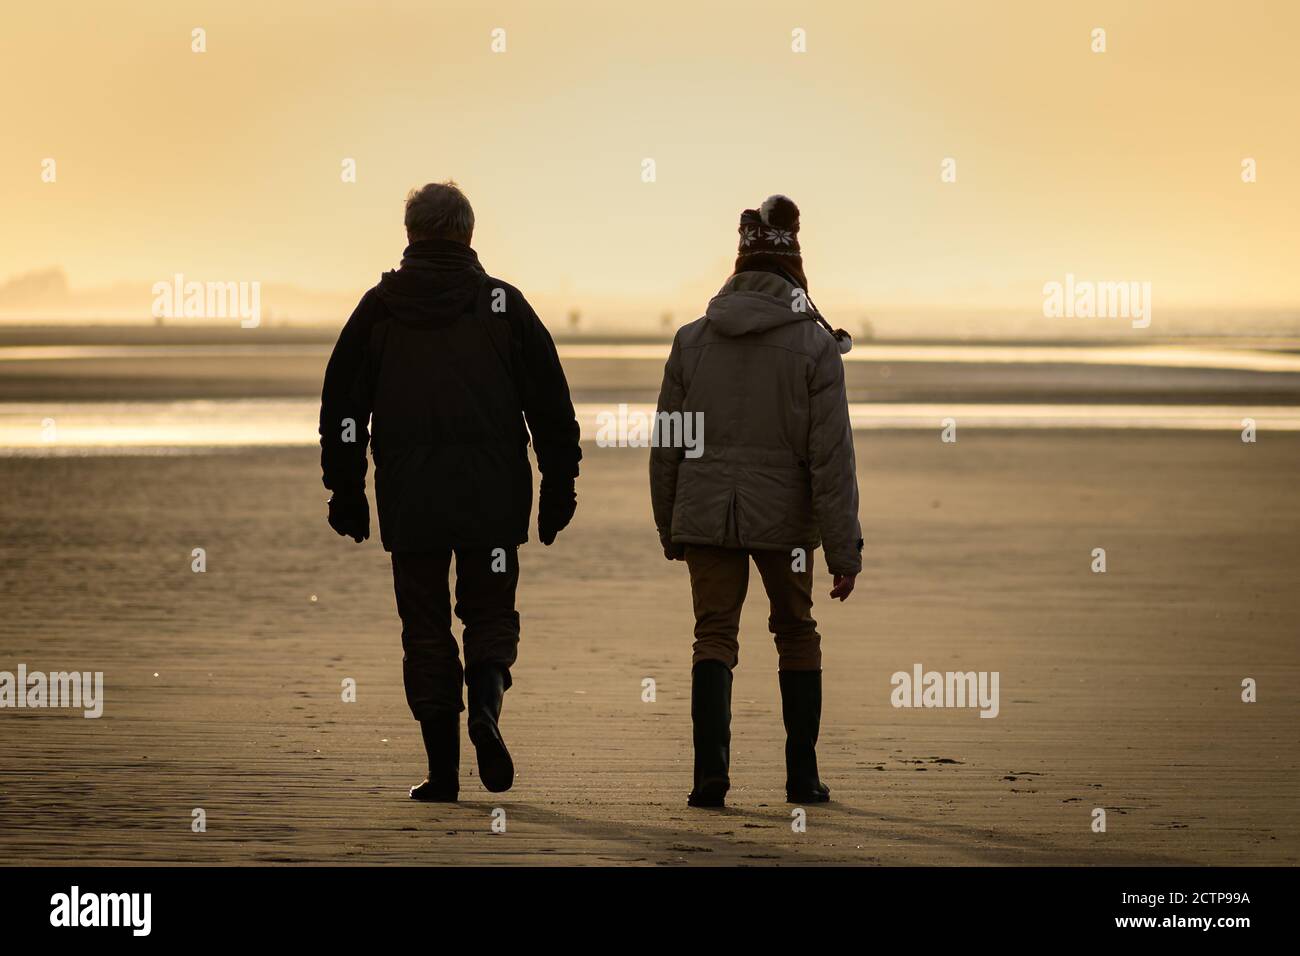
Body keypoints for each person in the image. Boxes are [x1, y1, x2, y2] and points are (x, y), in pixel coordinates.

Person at [319, 181, 581, 801]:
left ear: (411, 234)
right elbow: (550, 402)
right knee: (489, 611)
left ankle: (443, 775)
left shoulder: (379, 309)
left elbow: (343, 409)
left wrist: (346, 488)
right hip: (493, 502)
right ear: (467, 234)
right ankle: (485, 710)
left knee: (425, 624)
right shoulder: (501, 305)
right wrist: (559, 482)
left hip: (413, 504)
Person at [649, 195, 862, 808]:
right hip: (786, 522)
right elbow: (831, 458)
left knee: (713, 634)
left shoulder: (692, 341)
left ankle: (709, 778)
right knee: (795, 632)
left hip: (706, 512)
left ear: (738, 267)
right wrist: (843, 549)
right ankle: (802, 778)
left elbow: (668, 445)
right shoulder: (816, 348)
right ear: (795, 273)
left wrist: (672, 524)